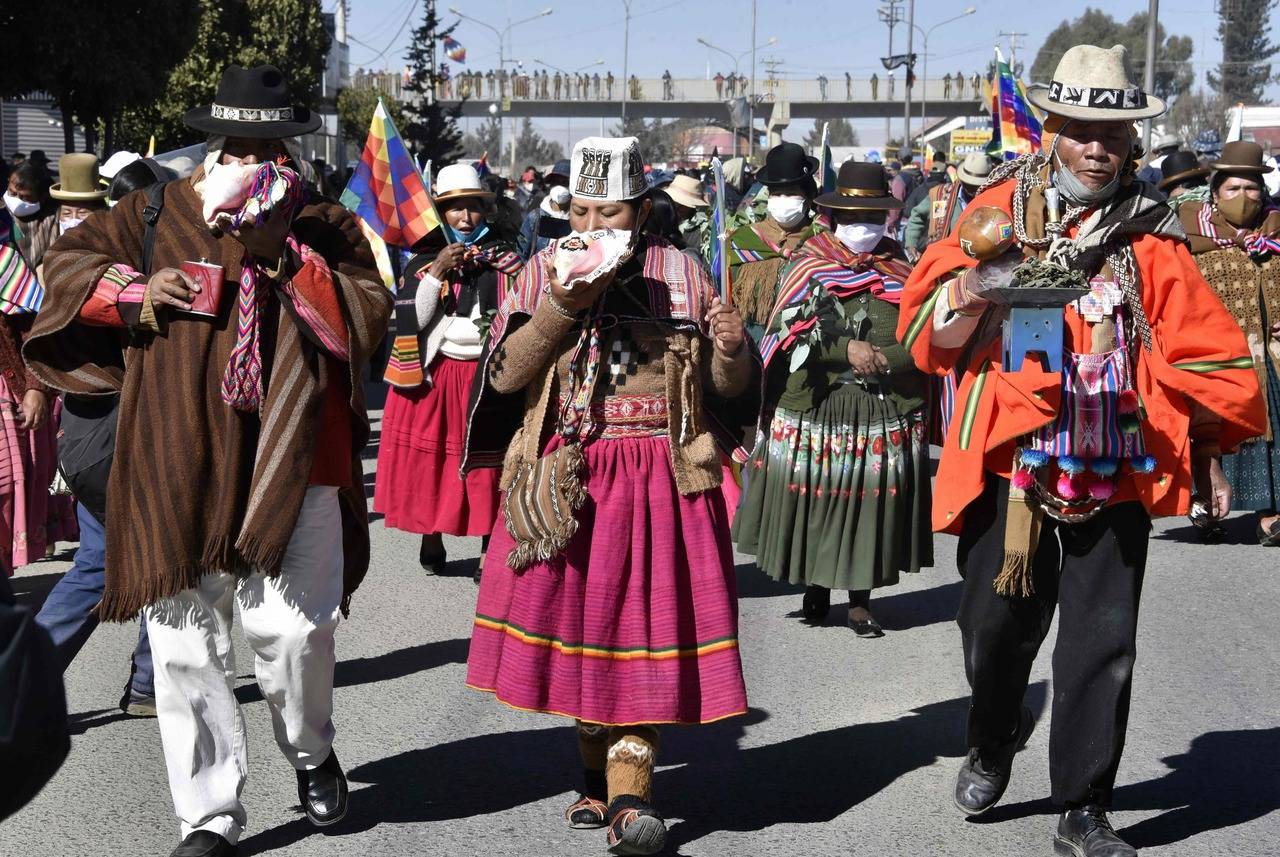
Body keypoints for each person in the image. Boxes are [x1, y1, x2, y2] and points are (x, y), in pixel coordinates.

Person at [897, 45, 1264, 857]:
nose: (1100, 145)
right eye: (1085, 128)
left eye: (1116, 131)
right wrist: (972, 287)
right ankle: (993, 736)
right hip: (1011, 461)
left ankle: (1085, 804)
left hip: (1116, 461)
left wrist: (1206, 453)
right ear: (1053, 128)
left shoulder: (1153, 237)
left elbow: (1206, 351)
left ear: (1132, 140)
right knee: (993, 626)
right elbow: (926, 334)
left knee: (1104, 639)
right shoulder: (990, 210)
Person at [27, 64, 392, 857]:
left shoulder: (323, 219)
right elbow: (63, 271)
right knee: (184, 642)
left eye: (269, 144)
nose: (253, 156)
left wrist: (288, 259)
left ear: (289, 148)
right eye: (237, 142)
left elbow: (367, 316)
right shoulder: (153, 208)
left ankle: (310, 747)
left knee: (294, 635)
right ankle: (209, 816)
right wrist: (130, 292)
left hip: (301, 460)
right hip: (177, 456)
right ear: (214, 143)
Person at [463, 135, 758, 856]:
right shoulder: (541, 271)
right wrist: (564, 307)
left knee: (639, 638)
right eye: (584, 209)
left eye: (613, 211)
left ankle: (632, 801)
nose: (595, 226)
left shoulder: (683, 274)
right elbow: (503, 376)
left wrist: (729, 349)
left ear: (644, 208)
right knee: (584, 635)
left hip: (661, 475)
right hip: (568, 476)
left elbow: (725, 395)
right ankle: (594, 775)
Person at [734, 161, 931, 635]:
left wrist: (886, 358)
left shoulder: (902, 269)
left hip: (880, 408)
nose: (860, 229)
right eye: (850, 218)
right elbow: (789, 332)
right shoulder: (809, 265)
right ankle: (817, 587)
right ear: (833, 217)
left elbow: (925, 334)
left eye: (871, 219)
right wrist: (847, 348)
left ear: (887, 218)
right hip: (819, 405)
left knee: (867, 504)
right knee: (820, 501)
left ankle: (860, 601)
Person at [34, 156, 175, 720]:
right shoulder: (78, 262)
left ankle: (147, 679)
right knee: (105, 560)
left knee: (156, 555)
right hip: (106, 434)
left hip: (124, 430)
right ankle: (21, 679)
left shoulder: (124, 253)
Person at [375, 163, 521, 580]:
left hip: (489, 376)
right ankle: (432, 532)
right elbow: (413, 322)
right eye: (454, 208)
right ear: (442, 213)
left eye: (472, 208)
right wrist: (438, 271)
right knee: (437, 464)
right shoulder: (423, 260)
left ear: (484, 211)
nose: (464, 217)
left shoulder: (507, 260)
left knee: (489, 463)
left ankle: (487, 548)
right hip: (437, 375)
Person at [1177, 141, 1280, 544]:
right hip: (1215, 359)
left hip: (1268, 359)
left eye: (1252, 188)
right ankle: (1205, 509)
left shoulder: (1274, 231)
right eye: (1233, 189)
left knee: (1272, 439)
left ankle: (1270, 515)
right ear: (1215, 193)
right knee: (1210, 435)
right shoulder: (1193, 237)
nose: (1243, 197)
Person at [728, 142, 823, 340]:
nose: (783, 199)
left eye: (791, 193)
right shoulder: (742, 240)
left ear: (808, 196)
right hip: (751, 350)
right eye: (777, 194)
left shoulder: (822, 241)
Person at [904, 152, 992, 260]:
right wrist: (911, 243)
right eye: (968, 184)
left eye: (976, 186)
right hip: (943, 259)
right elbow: (917, 216)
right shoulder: (941, 194)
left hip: (979, 261)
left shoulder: (992, 200)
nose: (971, 190)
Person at [517, 158, 573, 260]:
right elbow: (520, 254)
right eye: (556, 181)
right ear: (550, 184)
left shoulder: (579, 221)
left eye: (565, 182)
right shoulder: (535, 218)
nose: (560, 187)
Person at [886, 146, 922, 239]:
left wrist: (891, 222)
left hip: (904, 223)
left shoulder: (900, 178)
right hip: (920, 220)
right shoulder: (919, 174)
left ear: (899, 159)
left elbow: (896, 203)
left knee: (904, 252)